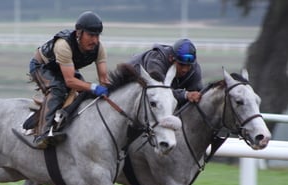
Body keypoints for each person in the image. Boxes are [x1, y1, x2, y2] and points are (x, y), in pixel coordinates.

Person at [28, 11, 109, 149]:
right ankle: (41, 135)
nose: (95, 40)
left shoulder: (99, 48)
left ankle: (65, 120)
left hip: (64, 68)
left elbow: (104, 79)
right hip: (42, 67)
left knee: (84, 92)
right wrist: (94, 87)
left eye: (97, 35)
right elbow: (70, 81)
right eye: (90, 35)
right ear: (79, 33)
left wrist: (109, 93)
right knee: (57, 89)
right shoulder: (63, 45)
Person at [128, 38, 202, 108]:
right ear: (171, 58)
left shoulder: (194, 68)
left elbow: (198, 94)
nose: (184, 70)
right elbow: (160, 92)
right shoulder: (156, 61)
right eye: (181, 65)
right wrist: (185, 95)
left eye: (188, 65)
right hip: (130, 88)